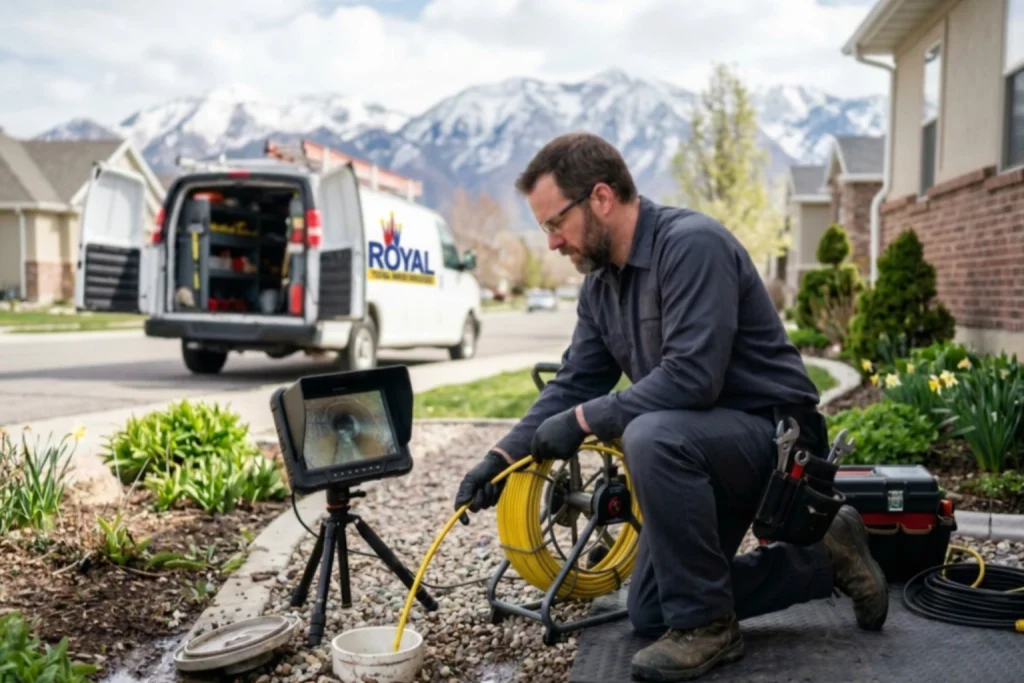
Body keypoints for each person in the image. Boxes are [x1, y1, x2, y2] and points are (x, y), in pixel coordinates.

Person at [453, 132, 888, 681]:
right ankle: (826, 558)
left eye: (555, 223)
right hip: (698, 445)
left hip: (776, 440)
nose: (553, 243)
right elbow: (574, 383)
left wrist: (584, 421)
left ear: (601, 197)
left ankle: (709, 628)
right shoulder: (600, 286)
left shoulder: (691, 246)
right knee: (653, 610)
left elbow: (691, 379)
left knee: (650, 435)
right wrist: (499, 457)